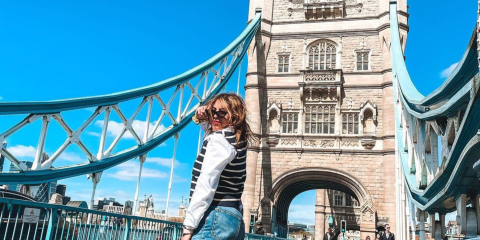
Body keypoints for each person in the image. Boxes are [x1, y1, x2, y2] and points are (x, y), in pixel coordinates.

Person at [181, 93, 255, 240]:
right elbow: (212, 128)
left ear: (235, 116)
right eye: (213, 111)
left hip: (214, 217)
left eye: (222, 112)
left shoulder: (218, 141)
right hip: (234, 219)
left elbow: (206, 184)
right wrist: (201, 116)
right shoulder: (238, 140)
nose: (216, 116)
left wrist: (188, 228)